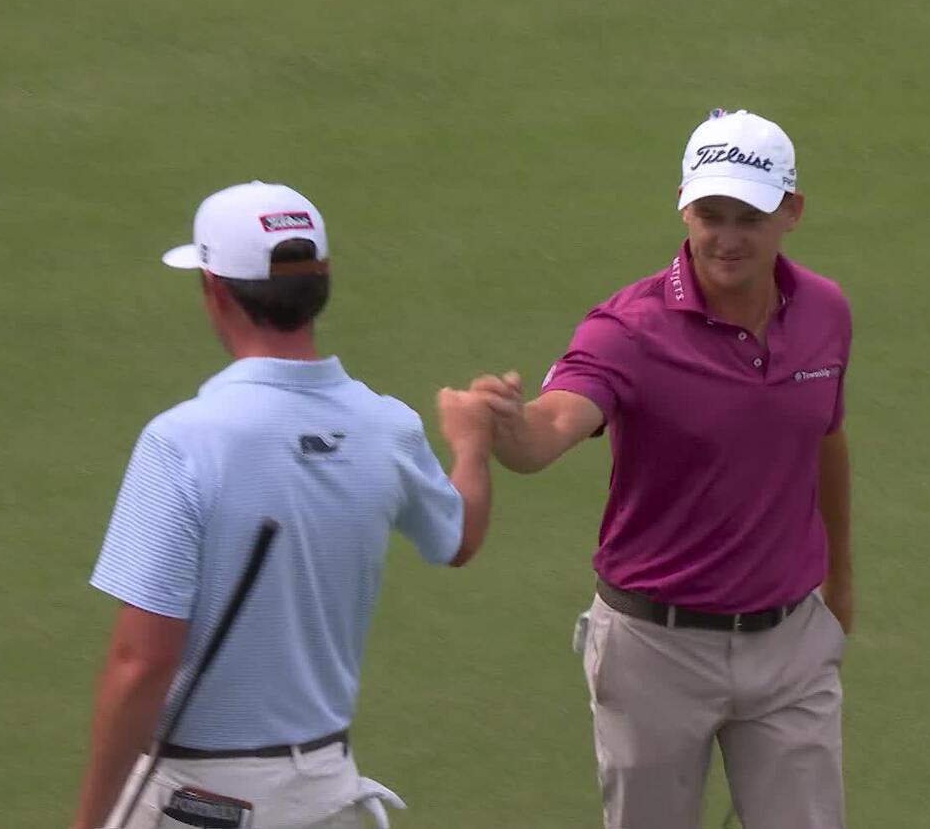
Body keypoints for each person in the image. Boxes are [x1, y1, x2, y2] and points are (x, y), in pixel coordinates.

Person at [70, 181, 493, 829]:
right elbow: (457, 535)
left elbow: (142, 662)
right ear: (318, 284)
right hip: (326, 799)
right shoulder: (386, 428)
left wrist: (92, 819)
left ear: (215, 288)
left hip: (197, 804)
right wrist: (470, 445)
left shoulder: (183, 441)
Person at [473, 109, 854, 829]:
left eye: (749, 215)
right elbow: (553, 426)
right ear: (684, 205)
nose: (727, 237)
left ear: (792, 212)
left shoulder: (825, 313)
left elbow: (826, 442)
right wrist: (510, 429)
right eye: (711, 214)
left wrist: (841, 587)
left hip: (789, 646)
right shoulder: (628, 331)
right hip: (655, 651)